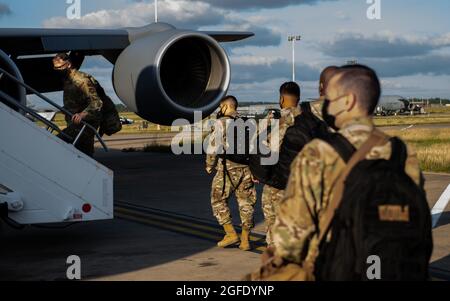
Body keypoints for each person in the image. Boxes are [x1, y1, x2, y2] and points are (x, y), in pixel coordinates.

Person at [252, 64, 430, 280]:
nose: (326, 104)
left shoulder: (319, 153)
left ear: (349, 101)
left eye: (331, 98)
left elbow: (290, 242)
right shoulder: (402, 153)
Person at [206, 96, 257, 251]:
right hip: (247, 169)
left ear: (225, 106)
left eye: (221, 107)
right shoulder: (249, 123)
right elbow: (257, 147)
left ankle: (230, 233)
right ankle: (245, 240)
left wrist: (209, 165)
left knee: (218, 200)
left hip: (227, 169)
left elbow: (213, 147)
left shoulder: (221, 123)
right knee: (246, 203)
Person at [261, 82, 301, 246]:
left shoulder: (282, 122)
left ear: (281, 98)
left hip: (279, 183)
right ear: (298, 99)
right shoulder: (309, 121)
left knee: (275, 227)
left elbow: (269, 150)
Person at [53, 53, 103, 157]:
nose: (58, 70)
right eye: (56, 68)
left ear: (69, 64)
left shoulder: (81, 80)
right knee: (80, 155)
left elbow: (97, 102)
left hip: (85, 123)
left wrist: (82, 114)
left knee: (60, 143)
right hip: (74, 123)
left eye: (61, 67)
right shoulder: (67, 79)